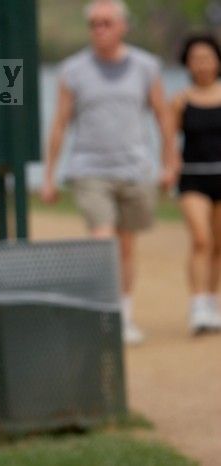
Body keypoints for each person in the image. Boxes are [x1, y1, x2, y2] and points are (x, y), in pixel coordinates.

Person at [40, 0, 178, 345]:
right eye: (94, 24)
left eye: (106, 23)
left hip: (134, 168)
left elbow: (163, 117)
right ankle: (104, 315)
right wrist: (49, 175)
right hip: (89, 169)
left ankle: (124, 316)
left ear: (123, 26)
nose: (99, 29)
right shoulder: (73, 70)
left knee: (127, 246)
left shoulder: (146, 66)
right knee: (105, 241)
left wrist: (170, 162)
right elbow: (60, 124)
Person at [170, 34, 221, 334]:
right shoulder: (180, 100)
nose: (201, 64)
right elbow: (169, 141)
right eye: (195, 58)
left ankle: (212, 302)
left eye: (207, 57)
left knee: (218, 243)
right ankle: (198, 303)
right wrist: (167, 168)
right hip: (193, 176)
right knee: (201, 239)